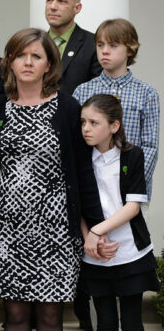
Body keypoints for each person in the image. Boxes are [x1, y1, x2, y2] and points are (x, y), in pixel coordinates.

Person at [0, 28, 104, 331]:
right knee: (15, 317)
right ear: (9, 61)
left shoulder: (67, 108)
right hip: (7, 231)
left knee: (51, 318)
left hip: (55, 232)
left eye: (36, 56)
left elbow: (82, 171)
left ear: (49, 64)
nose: (27, 62)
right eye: (20, 55)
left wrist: (94, 226)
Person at [80, 94, 159, 330]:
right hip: (94, 253)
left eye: (94, 123)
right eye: (83, 122)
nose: (86, 128)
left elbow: (133, 206)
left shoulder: (132, 155)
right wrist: (89, 240)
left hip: (129, 250)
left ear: (114, 126)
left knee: (132, 321)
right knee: (105, 322)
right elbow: (78, 207)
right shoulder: (81, 158)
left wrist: (97, 231)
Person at [73, 18, 159, 212]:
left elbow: (150, 146)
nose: (104, 51)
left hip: (131, 192)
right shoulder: (83, 91)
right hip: (91, 186)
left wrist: (133, 183)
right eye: (100, 45)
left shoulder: (146, 93)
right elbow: (76, 140)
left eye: (113, 45)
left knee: (130, 240)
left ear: (129, 49)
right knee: (94, 239)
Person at [45, 0, 101, 96]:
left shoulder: (94, 44)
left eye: (61, 1)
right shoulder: (34, 45)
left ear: (77, 8)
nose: (53, 7)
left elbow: (98, 92)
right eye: (49, 0)